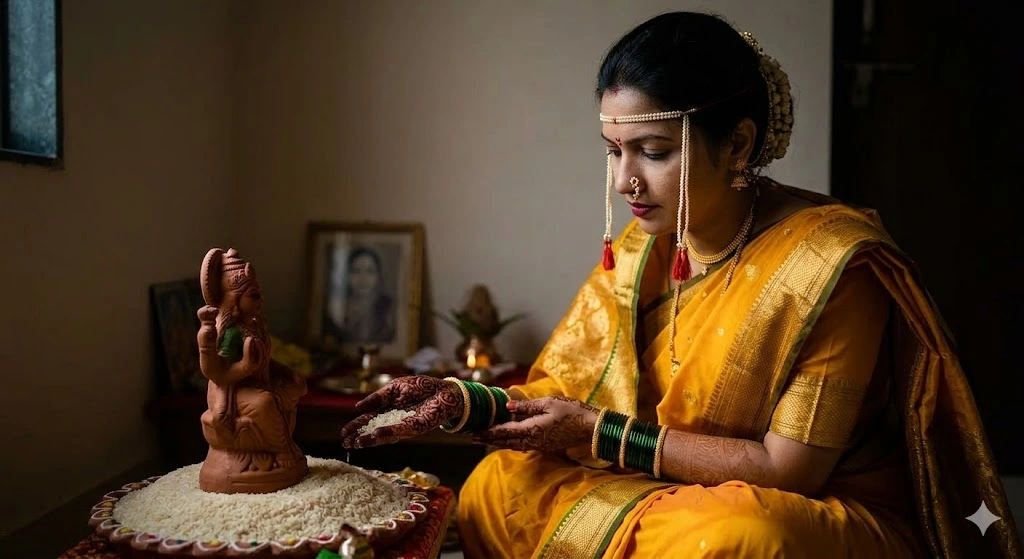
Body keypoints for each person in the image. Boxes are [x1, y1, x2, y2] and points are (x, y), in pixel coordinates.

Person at [340, 12, 1022, 558]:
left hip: (801, 505)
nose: (624, 181)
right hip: (665, 485)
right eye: (614, 151)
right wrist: (467, 403)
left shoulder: (830, 267)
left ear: (739, 144)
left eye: (653, 152)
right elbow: (569, 389)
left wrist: (607, 435)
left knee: (736, 541)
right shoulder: (646, 245)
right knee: (494, 485)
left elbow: (792, 473)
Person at [323, 246, 396, 344]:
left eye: (370, 271)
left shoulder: (389, 309)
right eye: (356, 271)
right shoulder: (335, 309)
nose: (363, 278)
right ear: (347, 275)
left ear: (378, 276)